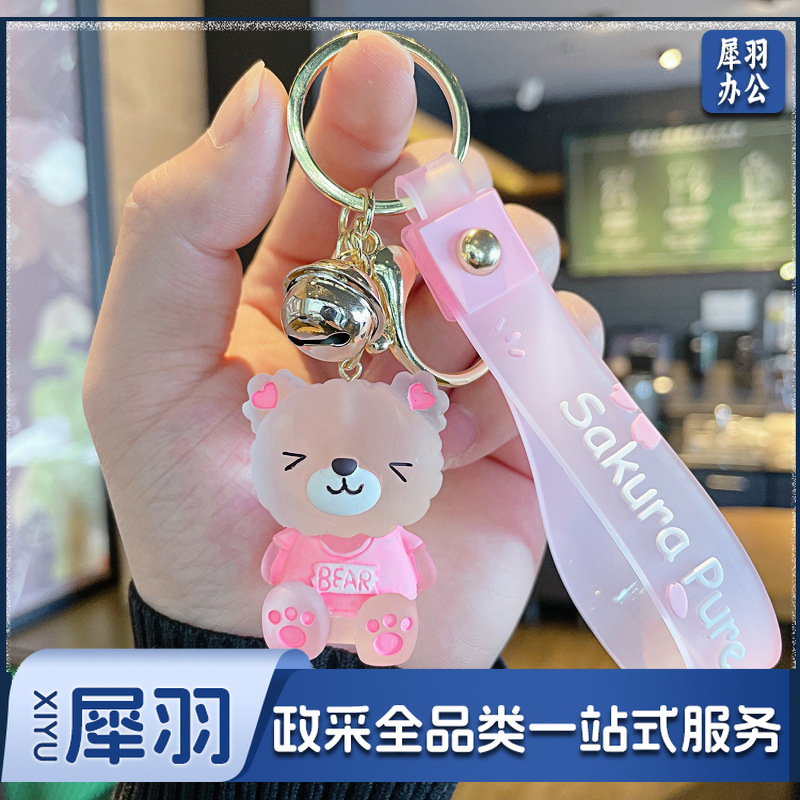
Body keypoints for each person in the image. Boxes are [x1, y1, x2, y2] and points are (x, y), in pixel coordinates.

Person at [83, 30, 604, 800]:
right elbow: (276, 560)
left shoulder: (398, 486)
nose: (348, 473)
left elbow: (414, 560)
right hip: (303, 602)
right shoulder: (290, 466)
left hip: (381, 604)